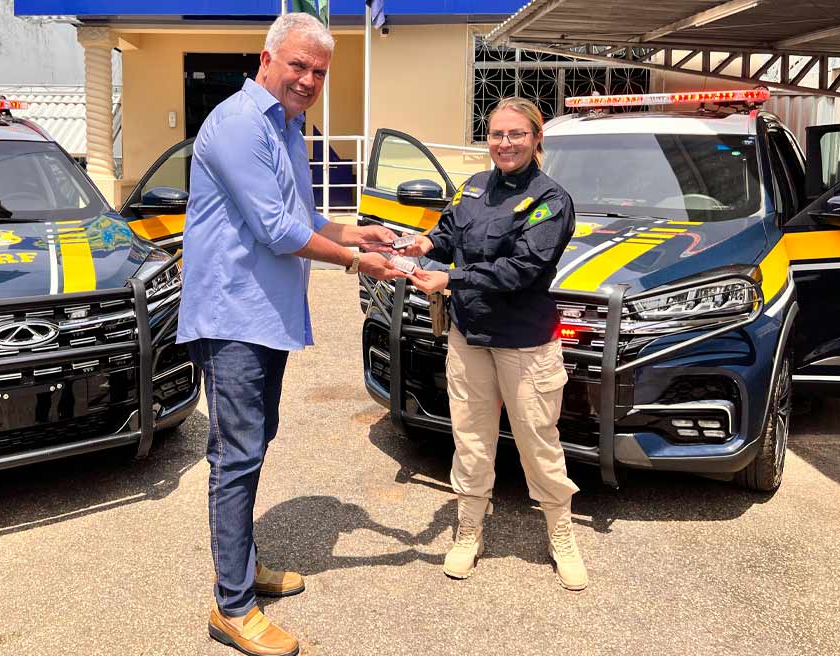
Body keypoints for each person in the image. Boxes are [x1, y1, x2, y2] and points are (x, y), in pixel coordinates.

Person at [176, 13, 406, 656]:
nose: (308, 79)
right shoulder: (240, 124)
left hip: (264, 317)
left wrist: (352, 234)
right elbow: (278, 232)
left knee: (253, 443)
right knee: (236, 455)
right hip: (231, 319)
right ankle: (232, 606)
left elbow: (298, 218)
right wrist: (361, 263)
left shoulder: (287, 126)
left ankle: (242, 571)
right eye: (299, 65)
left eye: (319, 71)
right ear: (267, 59)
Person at [399, 97, 587, 590]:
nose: (505, 144)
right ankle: (468, 531)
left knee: (537, 443)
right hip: (469, 338)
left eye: (516, 135)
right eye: (497, 134)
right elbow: (449, 232)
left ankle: (561, 533)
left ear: (535, 138)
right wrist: (421, 245)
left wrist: (450, 281)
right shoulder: (474, 186)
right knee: (471, 440)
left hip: (525, 344)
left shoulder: (552, 200)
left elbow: (522, 269)